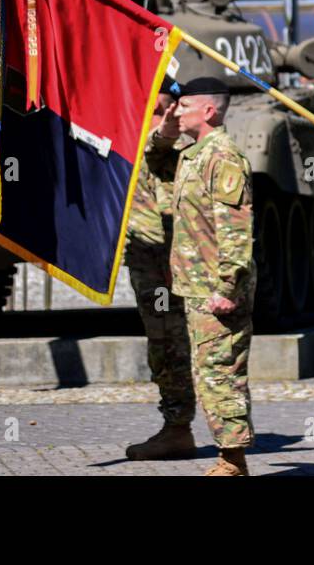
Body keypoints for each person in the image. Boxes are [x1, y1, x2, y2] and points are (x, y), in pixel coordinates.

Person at [147, 76, 255, 476]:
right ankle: (228, 454)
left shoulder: (222, 157)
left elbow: (235, 229)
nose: (177, 111)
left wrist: (228, 286)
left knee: (221, 372)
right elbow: (154, 161)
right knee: (207, 372)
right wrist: (168, 129)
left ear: (208, 111)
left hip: (216, 288)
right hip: (196, 286)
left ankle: (232, 460)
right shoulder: (193, 154)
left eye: (185, 107)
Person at [123, 77, 197, 461]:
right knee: (163, 343)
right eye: (148, 109)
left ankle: (188, 428)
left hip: (171, 260)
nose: (154, 117)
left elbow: (160, 145)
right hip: (145, 257)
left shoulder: (180, 144)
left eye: (162, 109)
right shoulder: (133, 138)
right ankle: (176, 426)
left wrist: (165, 128)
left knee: (179, 344)